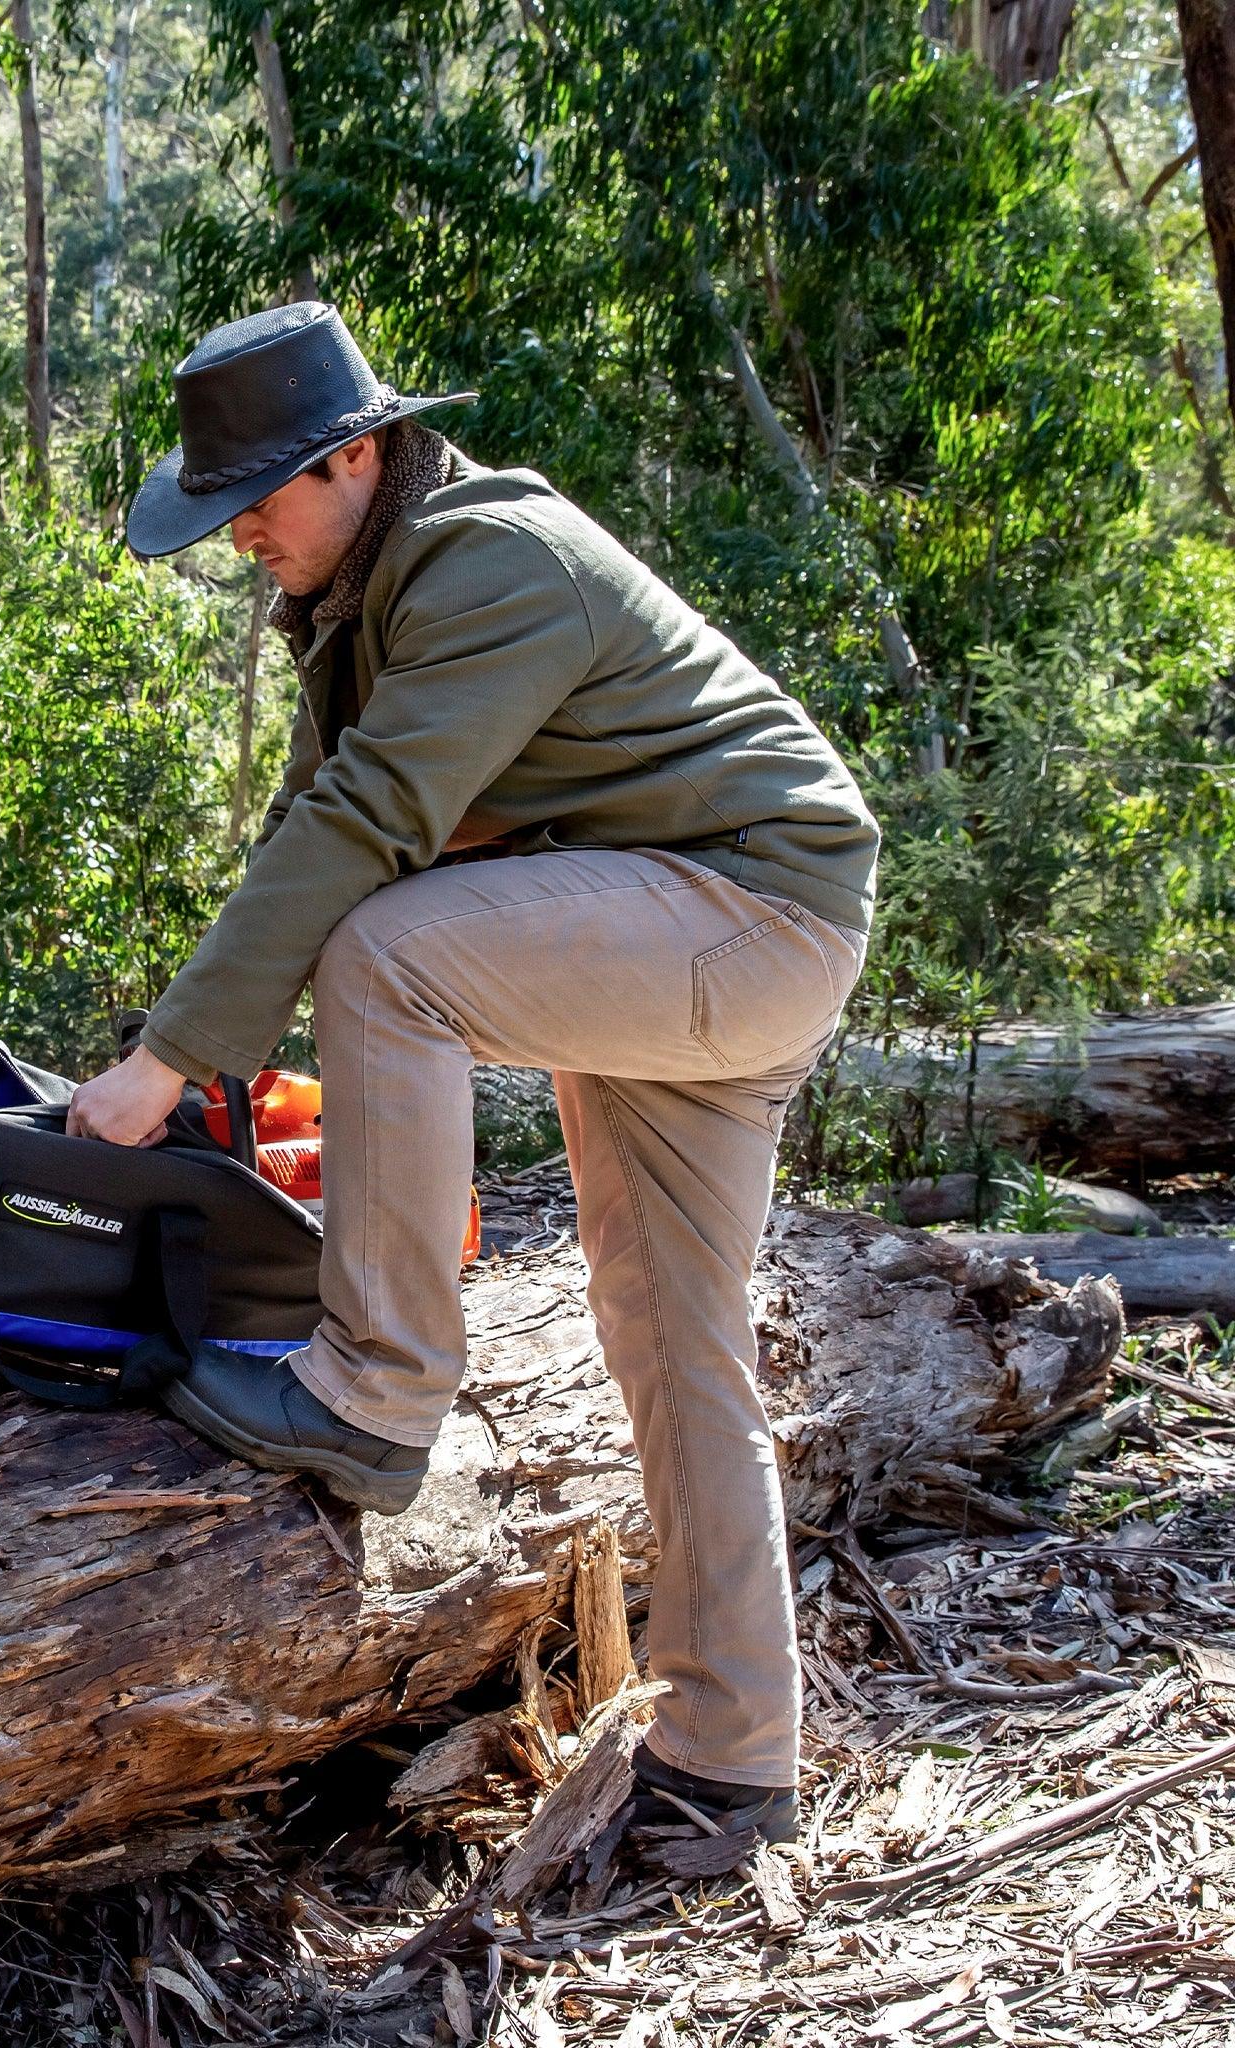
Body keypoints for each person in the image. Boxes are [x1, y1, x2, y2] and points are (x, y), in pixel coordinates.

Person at [66, 301, 879, 1840]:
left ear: (357, 454)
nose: (241, 536)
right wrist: (176, 1058)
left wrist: (174, 1061)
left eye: (256, 500)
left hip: (745, 914)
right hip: (663, 931)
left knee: (393, 952)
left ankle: (373, 1394)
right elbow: (305, 826)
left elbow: (365, 830)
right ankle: (737, 1761)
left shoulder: (495, 561)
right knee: (667, 1338)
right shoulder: (375, 590)